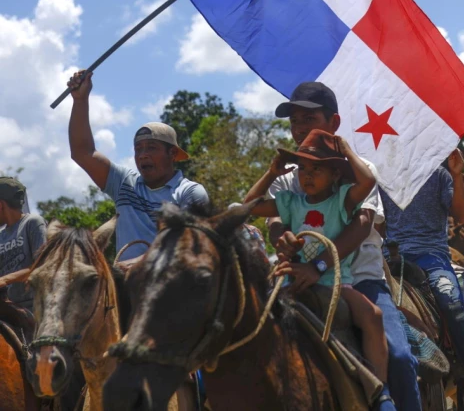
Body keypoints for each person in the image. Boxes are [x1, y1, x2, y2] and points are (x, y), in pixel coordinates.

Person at [266, 82, 420, 410]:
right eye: (294, 121)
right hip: (295, 279)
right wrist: (281, 236)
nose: (298, 128)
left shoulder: (360, 171)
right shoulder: (285, 177)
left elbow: (362, 225)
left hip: (360, 280)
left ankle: (388, 401)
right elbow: (273, 219)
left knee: (399, 355)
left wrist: (319, 265)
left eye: (308, 118)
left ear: (334, 124)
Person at [244, 129, 394, 410]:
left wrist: (347, 151)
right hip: (292, 281)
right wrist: (270, 173)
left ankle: (381, 392)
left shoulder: (344, 200)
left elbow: (369, 180)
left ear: (336, 174)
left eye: (317, 169)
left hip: (337, 283)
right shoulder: (291, 201)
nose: (308, 175)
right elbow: (248, 206)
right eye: (303, 169)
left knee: (373, 316)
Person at [379, 152, 464, 411]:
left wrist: (457, 173)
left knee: (451, 301)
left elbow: (460, 214)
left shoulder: (439, 175)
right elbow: (378, 224)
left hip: (431, 256)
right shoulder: (380, 177)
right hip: (387, 258)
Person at [66, 70, 209, 260]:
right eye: (138, 149)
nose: (142, 155)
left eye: (151, 148)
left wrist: (134, 266)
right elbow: (82, 153)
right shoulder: (124, 183)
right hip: (125, 287)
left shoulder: (190, 193)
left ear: (172, 153)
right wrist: (80, 100)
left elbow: (192, 250)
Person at [0, 177, 46, 311]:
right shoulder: (1, 235)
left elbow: (42, 266)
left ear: (1, 205)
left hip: (32, 306)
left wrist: (5, 280)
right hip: (7, 307)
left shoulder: (32, 223)